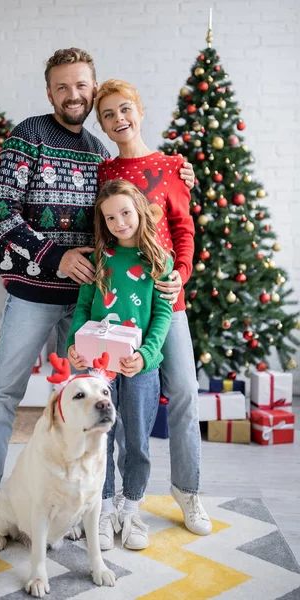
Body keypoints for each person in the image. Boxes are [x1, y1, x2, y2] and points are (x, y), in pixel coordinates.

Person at [0, 49, 195, 546]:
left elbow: (129, 214)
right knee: (3, 395)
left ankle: (87, 506)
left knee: (87, 405)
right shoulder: (27, 136)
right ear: (49, 92)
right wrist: (52, 256)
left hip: (92, 307)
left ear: (92, 87)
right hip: (34, 293)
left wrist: (179, 173)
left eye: (82, 85)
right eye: (62, 86)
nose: (73, 94)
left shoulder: (103, 154)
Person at [93, 79, 212, 537]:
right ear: (101, 124)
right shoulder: (104, 173)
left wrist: (180, 272)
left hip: (166, 301)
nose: (119, 119)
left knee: (183, 390)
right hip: (118, 306)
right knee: (122, 403)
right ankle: (109, 502)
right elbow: (102, 233)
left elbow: (183, 230)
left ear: (139, 109)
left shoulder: (171, 167)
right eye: (108, 114)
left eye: (125, 109)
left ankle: (188, 490)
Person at [67, 179, 173, 551]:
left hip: (141, 369)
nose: (119, 222)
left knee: (137, 442)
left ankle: (131, 510)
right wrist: (73, 347)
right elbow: (82, 310)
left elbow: (162, 317)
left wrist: (145, 354)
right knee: (100, 439)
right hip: (98, 371)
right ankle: (103, 510)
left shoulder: (159, 258)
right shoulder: (100, 258)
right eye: (110, 217)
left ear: (140, 211)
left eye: (125, 213)